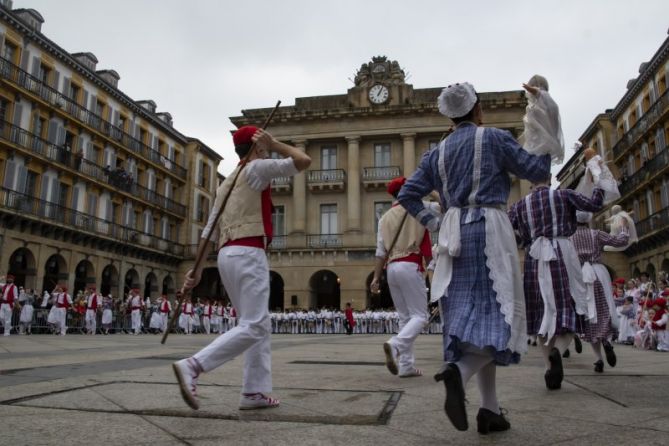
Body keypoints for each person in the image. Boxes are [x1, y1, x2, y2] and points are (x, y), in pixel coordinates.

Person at [398, 82, 551, 434]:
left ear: (449, 116)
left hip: (453, 236)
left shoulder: (435, 154)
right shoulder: (494, 139)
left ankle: (490, 409)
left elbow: (408, 194)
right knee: (501, 316)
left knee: (472, 321)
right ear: (478, 111)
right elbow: (537, 171)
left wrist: (435, 221)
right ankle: (460, 372)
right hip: (489, 229)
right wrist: (543, 131)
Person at [173, 125, 310, 411]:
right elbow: (302, 161)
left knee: (256, 324)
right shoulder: (256, 169)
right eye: (263, 143)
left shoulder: (226, 182)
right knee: (255, 324)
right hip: (248, 251)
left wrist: (196, 270)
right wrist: (277, 144)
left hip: (226, 253)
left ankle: (254, 392)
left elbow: (209, 229)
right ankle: (194, 365)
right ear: (257, 146)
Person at [509, 163, 605, 391]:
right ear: (550, 177)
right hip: (562, 252)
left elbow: (508, 231)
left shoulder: (519, 205)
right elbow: (595, 204)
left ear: (530, 179)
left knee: (540, 313)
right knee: (570, 305)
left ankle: (547, 367)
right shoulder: (565, 195)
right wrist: (599, 180)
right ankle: (558, 353)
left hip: (534, 257)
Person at [371, 176, 438, 378]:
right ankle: (395, 345)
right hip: (410, 264)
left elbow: (380, 252)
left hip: (391, 268)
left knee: (405, 318)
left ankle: (406, 366)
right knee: (421, 316)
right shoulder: (419, 207)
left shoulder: (384, 217)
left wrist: (375, 278)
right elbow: (445, 205)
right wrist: (431, 189)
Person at [570, 211, 629, 372]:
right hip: (598, 272)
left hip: (580, 275)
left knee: (589, 315)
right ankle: (607, 340)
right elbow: (619, 241)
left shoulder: (569, 238)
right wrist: (623, 228)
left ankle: (598, 359)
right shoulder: (596, 234)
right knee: (605, 309)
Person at [520, 74, 564, 165]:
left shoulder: (545, 97)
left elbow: (539, 93)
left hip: (542, 145)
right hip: (540, 144)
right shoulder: (541, 104)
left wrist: (530, 89)